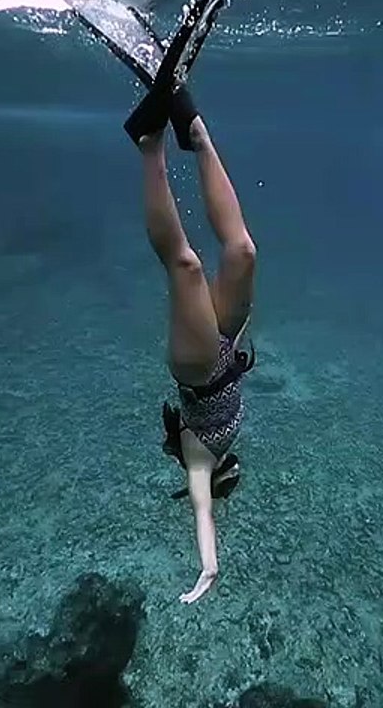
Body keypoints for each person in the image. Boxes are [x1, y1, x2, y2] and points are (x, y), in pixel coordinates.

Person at [134, 99, 257, 604]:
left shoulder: (199, 462)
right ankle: (197, 136)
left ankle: (150, 148)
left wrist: (209, 569)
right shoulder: (224, 447)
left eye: (236, 481)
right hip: (228, 348)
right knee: (243, 250)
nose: (239, 473)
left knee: (184, 264)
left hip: (198, 367)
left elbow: (202, 512)